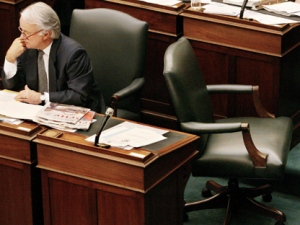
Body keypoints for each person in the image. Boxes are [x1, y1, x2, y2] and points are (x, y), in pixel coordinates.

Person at [1, 2, 104, 113]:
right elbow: (12, 87)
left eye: (26, 33)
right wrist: (10, 59)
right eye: (21, 30)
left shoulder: (74, 54)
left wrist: (41, 98)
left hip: (74, 112)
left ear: (46, 34)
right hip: (36, 112)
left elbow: (79, 96)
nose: (21, 37)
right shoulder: (26, 48)